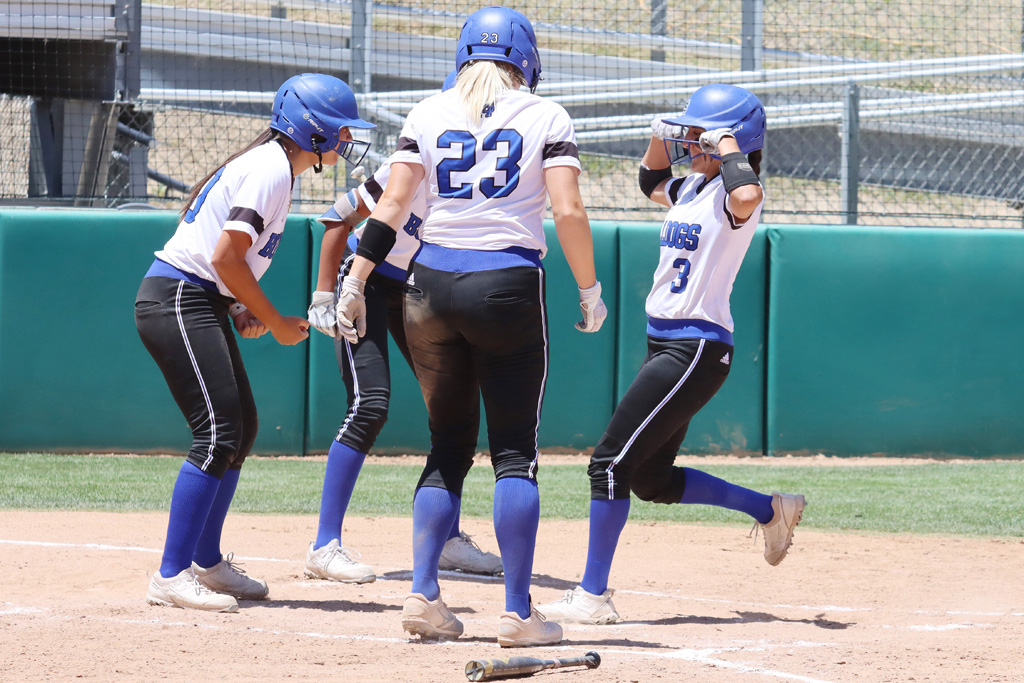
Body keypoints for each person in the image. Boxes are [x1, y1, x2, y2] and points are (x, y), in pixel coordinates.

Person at [336, 6, 607, 647]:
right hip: (506, 284)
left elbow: (393, 204)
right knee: (514, 453)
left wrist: (354, 280)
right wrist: (590, 289)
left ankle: (424, 595)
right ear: (526, 59)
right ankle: (517, 613)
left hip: (426, 285)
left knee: (447, 446)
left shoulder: (428, 113)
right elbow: (567, 209)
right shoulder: (546, 115)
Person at [537, 83, 806, 625]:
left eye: (702, 136)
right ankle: (769, 509)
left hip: (696, 346)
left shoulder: (739, 196)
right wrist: (664, 134)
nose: (695, 143)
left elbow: (748, 195)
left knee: (608, 464)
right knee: (649, 479)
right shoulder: (694, 187)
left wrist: (726, 141)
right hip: (667, 342)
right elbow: (650, 180)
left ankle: (592, 595)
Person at [135, 73, 375, 612]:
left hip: (198, 297)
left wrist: (241, 307)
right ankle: (171, 575)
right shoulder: (270, 168)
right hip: (178, 296)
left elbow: (223, 261)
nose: (345, 141)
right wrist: (272, 317)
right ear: (310, 132)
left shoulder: (275, 167)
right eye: (338, 131)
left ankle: (207, 561)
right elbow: (221, 257)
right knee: (218, 430)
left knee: (240, 428)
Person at [304, 71, 504, 583]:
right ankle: (325, 545)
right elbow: (335, 220)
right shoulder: (408, 164)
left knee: (454, 412)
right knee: (370, 404)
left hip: (420, 291)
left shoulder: (490, 175)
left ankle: (448, 540)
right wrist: (327, 294)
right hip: (367, 285)